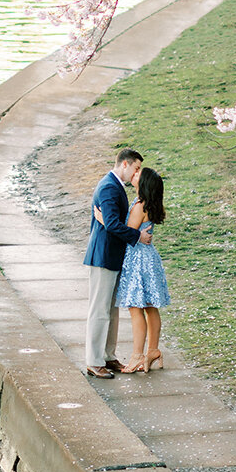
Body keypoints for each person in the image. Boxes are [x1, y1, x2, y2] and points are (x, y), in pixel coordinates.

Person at [82, 147, 152, 378]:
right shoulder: (110, 187)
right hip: (103, 256)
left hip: (111, 256)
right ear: (125, 164)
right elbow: (111, 224)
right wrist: (138, 236)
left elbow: (111, 222)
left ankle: (108, 356)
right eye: (136, 168)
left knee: (110, 310)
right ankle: (94, 361)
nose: (136, 173)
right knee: (100, 311)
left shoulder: (114, 185)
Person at [94, 166, 169, 373]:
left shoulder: (139, 206)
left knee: (136, 308)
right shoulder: (149, 204)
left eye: (138, 174)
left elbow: (127, 232)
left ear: (143, 183)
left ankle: (137, 356)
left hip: (138, 260)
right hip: (149, 257)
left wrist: (103, 221)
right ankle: (152, 350)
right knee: (150, 307)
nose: (133, 175)